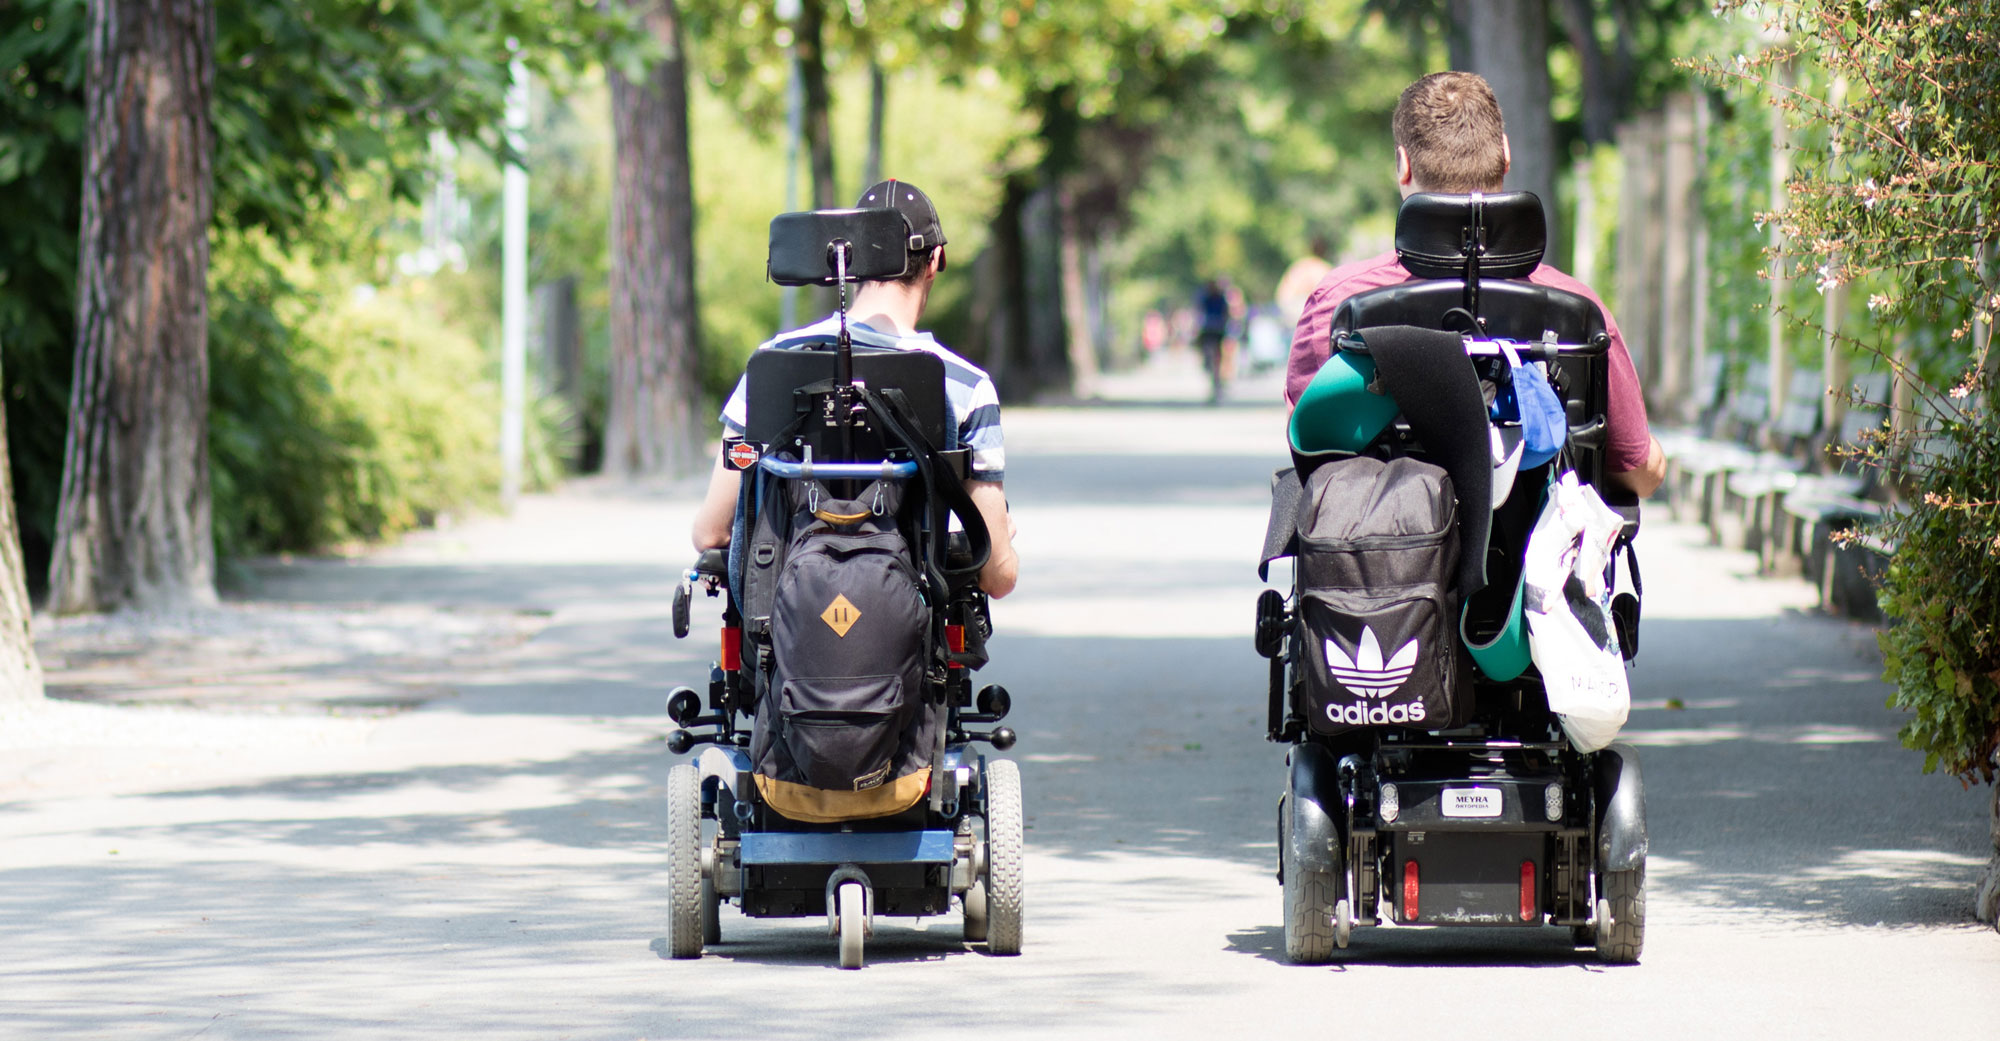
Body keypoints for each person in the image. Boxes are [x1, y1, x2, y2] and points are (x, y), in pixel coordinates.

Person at [1285, 71, 1666, 498]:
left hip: (1386, 550)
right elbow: (1638, 470)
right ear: (1505, 155)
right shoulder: (1575, 307)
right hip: (1530, 556)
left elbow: (1312, 447)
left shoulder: (1339, 300)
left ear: (1403, 164)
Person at [691, 179, 1019, 598]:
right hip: (907, 632)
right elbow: (997, 578)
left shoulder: (772, 363)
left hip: (786, 634)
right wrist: (1002, 539)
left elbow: (711, 532)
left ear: (852, 256)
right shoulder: (966, 387)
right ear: (935, 260)